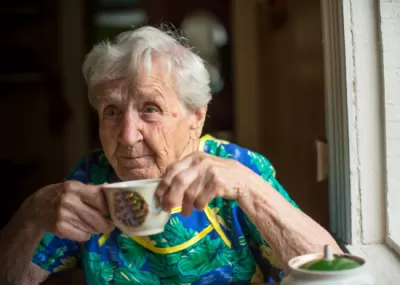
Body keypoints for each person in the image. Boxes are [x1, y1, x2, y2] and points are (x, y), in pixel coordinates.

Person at [0, 25, 342, 285]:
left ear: (196, 117)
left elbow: (331, 273)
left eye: (150, 109)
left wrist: (251, 190)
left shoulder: (238, 171)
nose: (128, 135)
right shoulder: (92, 177)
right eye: (112, 112)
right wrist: (29, 216)